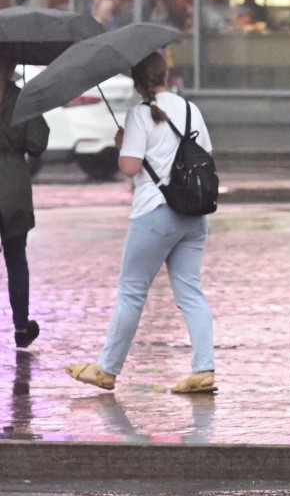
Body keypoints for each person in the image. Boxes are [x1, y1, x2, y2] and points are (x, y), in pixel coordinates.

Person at [65, 50, 216, 394]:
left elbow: (130, 168)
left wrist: (123, 145)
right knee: (190, 291)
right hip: (193, 214)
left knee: (132, 291)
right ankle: (204, 367)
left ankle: (106, 369)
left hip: (155, 212)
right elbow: (206, 155)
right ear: (166, 75)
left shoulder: (140, 114)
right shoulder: (191, 109)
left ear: (137, 83)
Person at [0, 53, 49, 348]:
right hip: (13, 188)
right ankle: (21, 326)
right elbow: (37, 144)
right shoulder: (22, 100)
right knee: (16, 259)